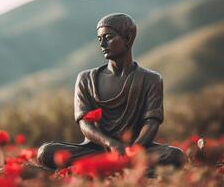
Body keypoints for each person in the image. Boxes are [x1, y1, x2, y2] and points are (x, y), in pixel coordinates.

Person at [37, 13, 187, 171]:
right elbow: (84, 124)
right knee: (46, 152)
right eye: (100, 39)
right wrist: (110, 143)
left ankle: (102, 166)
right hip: (96, 149)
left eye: (108, 37)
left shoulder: (151, 79)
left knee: (175, 155)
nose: (102, 44)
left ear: (127, 38)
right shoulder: (86, 79)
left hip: (135, 151)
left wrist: (134, 150)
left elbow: (151, 122)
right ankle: (116, 165)